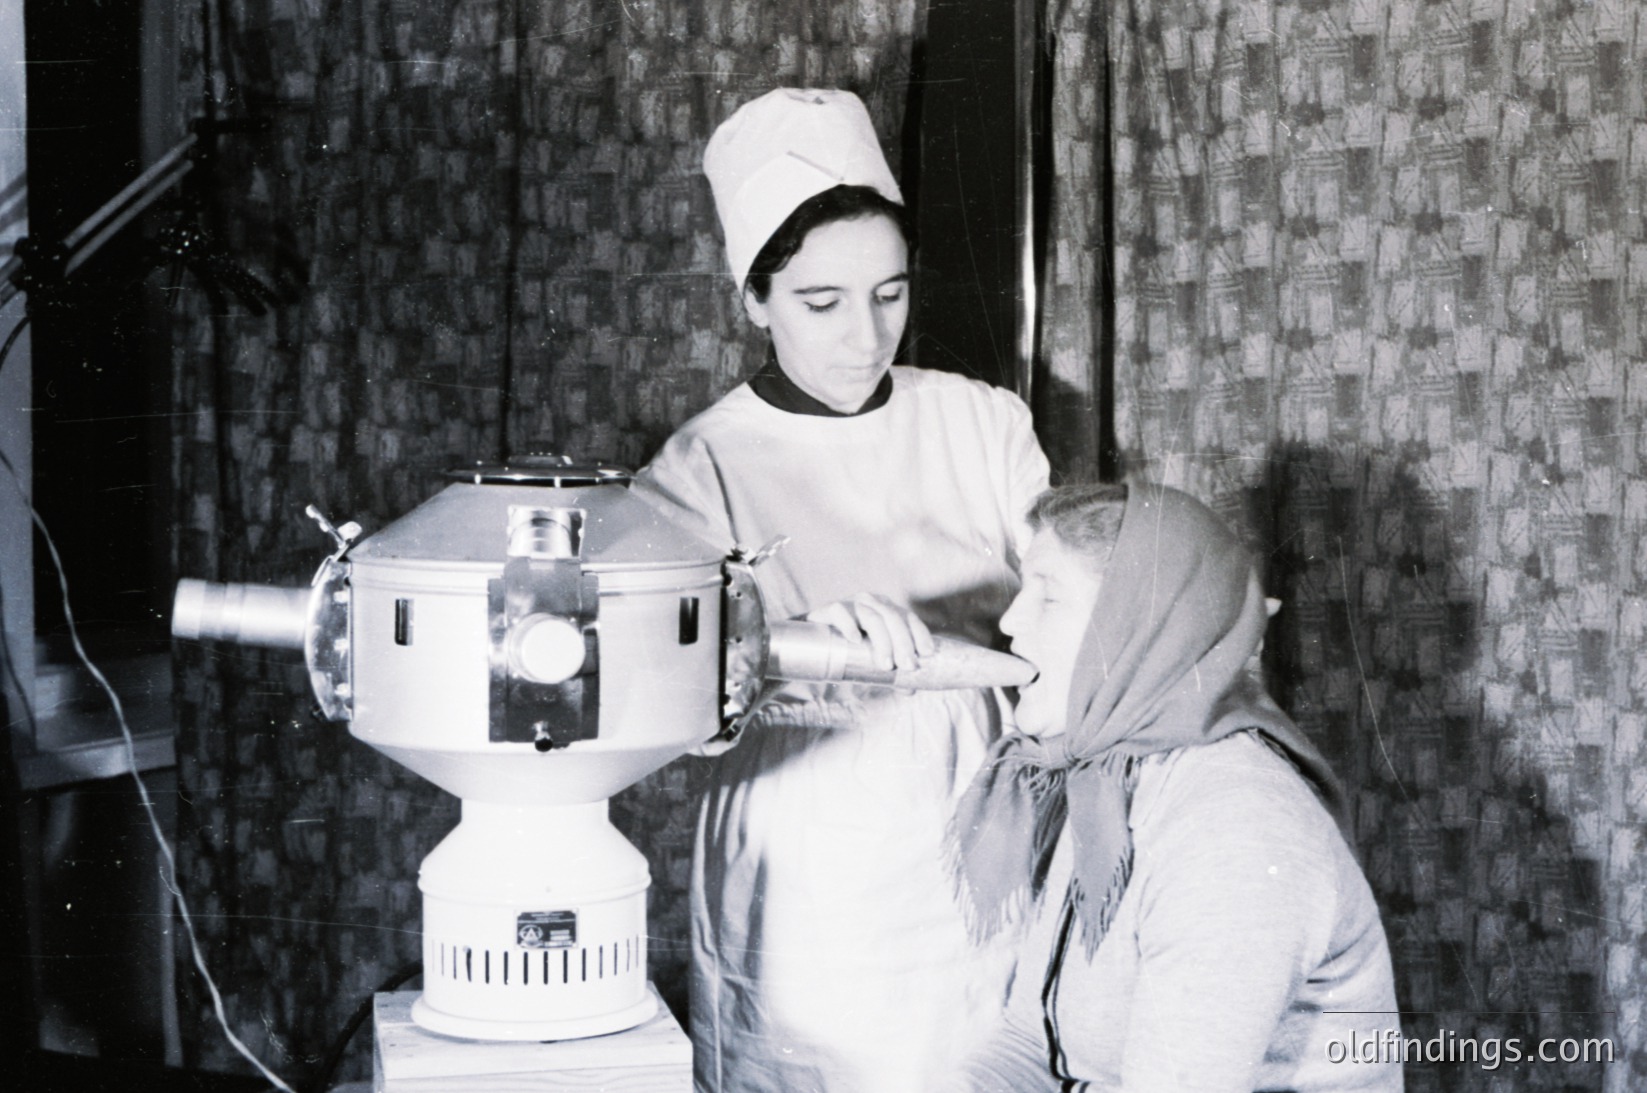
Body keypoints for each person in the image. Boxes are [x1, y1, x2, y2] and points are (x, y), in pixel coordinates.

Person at [632, 88, 1050, 1092]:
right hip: (803, 852)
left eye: (890, 294)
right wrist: (776, 641)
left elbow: (1064, 607)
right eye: (821, 304)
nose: (866, 337)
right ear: (755, 300)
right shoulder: (698, 468)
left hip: (979, 820)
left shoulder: (983, 423)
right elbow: (656, 701)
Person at [950, 483, 1402, 1092]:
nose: (1009, 622)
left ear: (1137, 629)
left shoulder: (1236, 828)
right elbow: (1032, 1046)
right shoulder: (1106, 779)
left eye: (1048, 596)